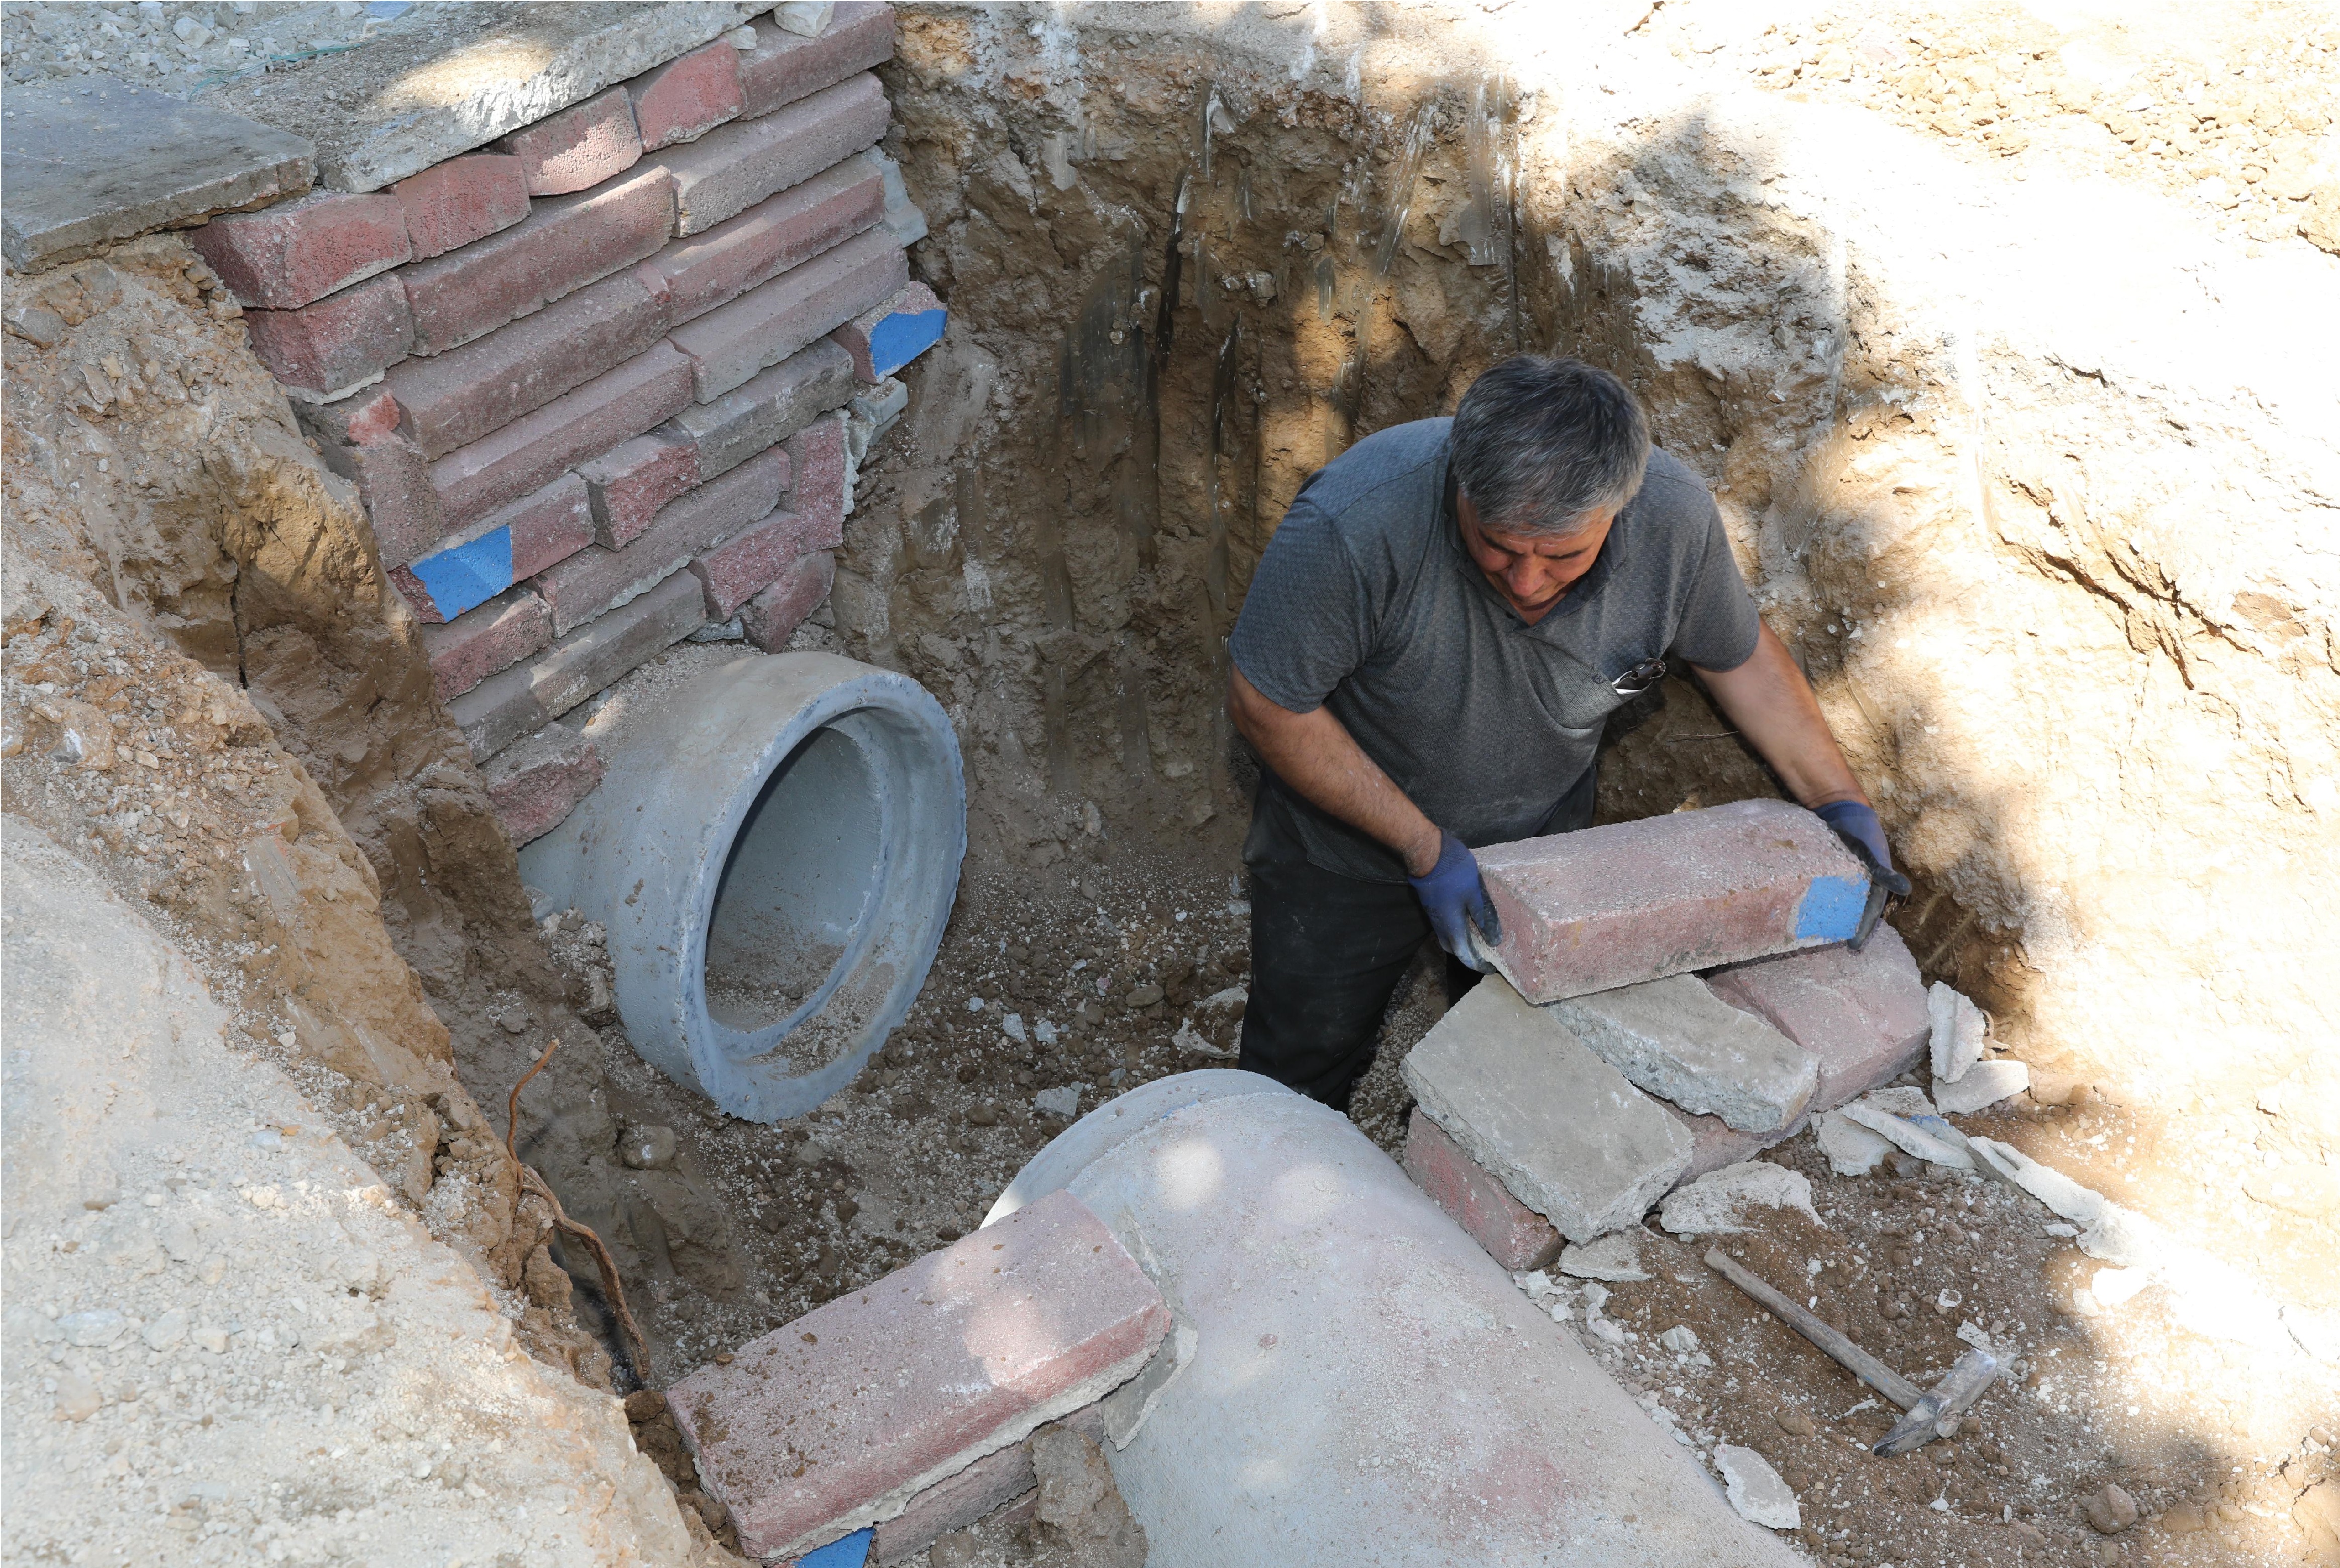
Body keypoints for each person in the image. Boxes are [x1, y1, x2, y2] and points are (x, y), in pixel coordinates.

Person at [1225, 354, 1906, 1109]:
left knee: (1523, 1050)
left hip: (1541, 841)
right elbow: (1268, 705)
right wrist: (1423, 847)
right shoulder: (1355, 524)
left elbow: (1740, 661)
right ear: (1460, 483)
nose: (1526, 581)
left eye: (1561, 555)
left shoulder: (1670, 522)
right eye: (1500, 546)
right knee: (1302, 1056)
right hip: (1343, 850)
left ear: (1620, 509)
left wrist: (1840, 802)